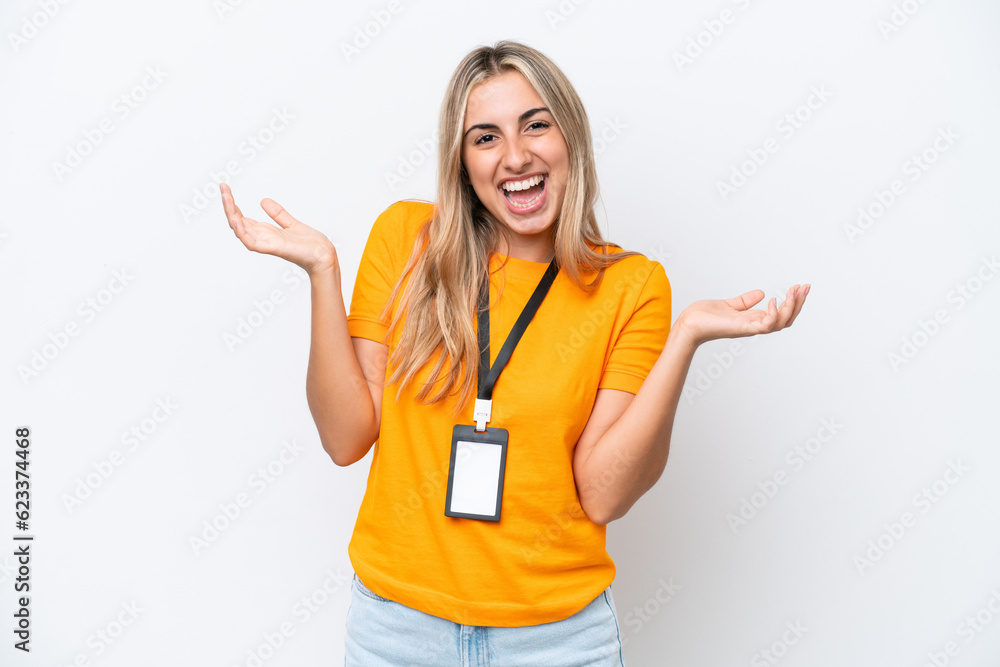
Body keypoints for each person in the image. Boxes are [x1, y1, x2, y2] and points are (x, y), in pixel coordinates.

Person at [221, 40, 807, 666]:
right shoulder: (405, 241)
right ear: (463, 162)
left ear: (570, 137)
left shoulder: (631, 287)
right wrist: (323, 273)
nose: (516, 156)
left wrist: (684, 339)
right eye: (486, 137)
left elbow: (604, 494)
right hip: (398, 633)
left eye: (535, 125)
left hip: (556, 641)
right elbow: (345, 438)